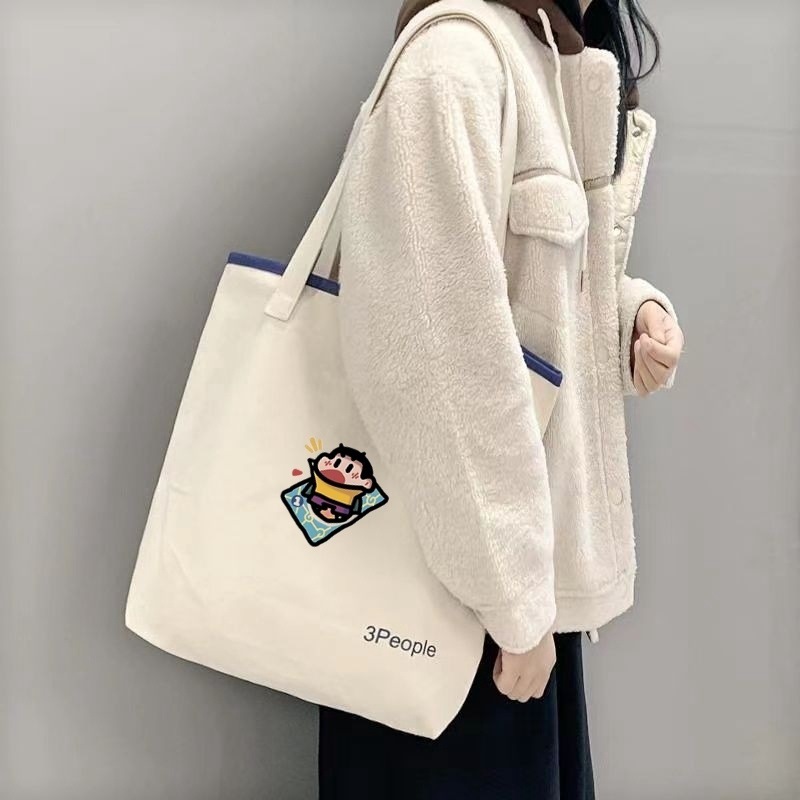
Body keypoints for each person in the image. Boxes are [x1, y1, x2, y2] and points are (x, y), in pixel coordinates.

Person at [320, 0, 685, 796]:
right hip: (450, 608)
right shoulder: (451, 65)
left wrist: (629, 316)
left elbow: (523, 296)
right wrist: (515, 607)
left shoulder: (542, 58)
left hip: (515, 590)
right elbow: (430, 361)